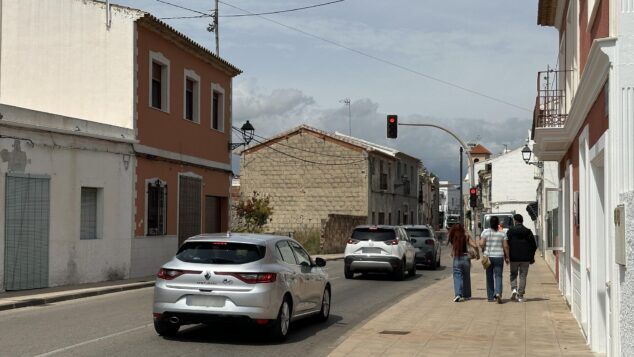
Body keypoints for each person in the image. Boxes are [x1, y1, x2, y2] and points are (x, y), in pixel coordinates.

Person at [506, 214, 537, 302]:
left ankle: (514, 289)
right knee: (523, 276)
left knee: (513, 274)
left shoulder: (510, 231)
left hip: (513, 257)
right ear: (522, 221)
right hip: (525, 258)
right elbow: (534, 245)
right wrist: (532, 257)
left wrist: (507, 256)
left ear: (515, 221)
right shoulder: (528, 231)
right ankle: (520, 296)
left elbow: (506, 244)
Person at [480, 216, 510, 304]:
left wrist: (484, 245)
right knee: (498, 276)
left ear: (490, 223)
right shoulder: (502, 233)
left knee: (489, 277)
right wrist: (507, 257)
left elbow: (481, 244)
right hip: (499, 257)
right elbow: (506, 246)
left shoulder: (485, 232)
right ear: (498, 223)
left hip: (488, 257)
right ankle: (498, 293)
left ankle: (490, 297)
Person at [448, 223, 479, 302]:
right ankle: (467, 295)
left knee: (457, 276)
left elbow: (453, 249)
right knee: (466, 276)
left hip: (457, 258)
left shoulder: (453, 236)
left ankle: (458, 294)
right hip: (465, 258)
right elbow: (475, 246)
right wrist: (477, 254)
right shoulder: (466, 236)